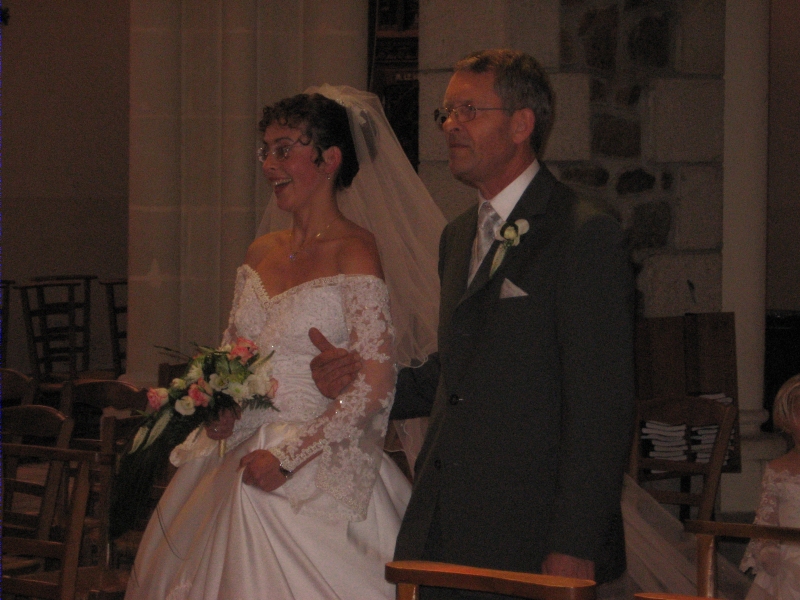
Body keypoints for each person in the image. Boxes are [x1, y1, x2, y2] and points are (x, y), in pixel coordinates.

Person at [311, 49, 636, 598]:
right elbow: (457, 371)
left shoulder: (582, 234)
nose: (449, 127)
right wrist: (366, 380)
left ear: (521, 124)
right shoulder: (458, 236)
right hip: (446, 519)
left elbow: (601, 405)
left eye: (468, 111)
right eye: (445, 113)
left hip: (532, 532)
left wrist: (574, 543)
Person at [125, 85, 446, 600]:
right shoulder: (261, 250)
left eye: (284, 149)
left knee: (260, 510)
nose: (270, 165)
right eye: (265, 151)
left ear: (329, 160)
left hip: (313, 451)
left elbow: (377, 382)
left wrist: (291, 456)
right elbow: (234, 353)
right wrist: (220, 408)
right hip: (239, 448)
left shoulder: (356, 250)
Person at [740, 374, 800, 600]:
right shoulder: (777, 469)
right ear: (786, 419)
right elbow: (766, 519)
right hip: (788, 561)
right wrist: (768, 548)